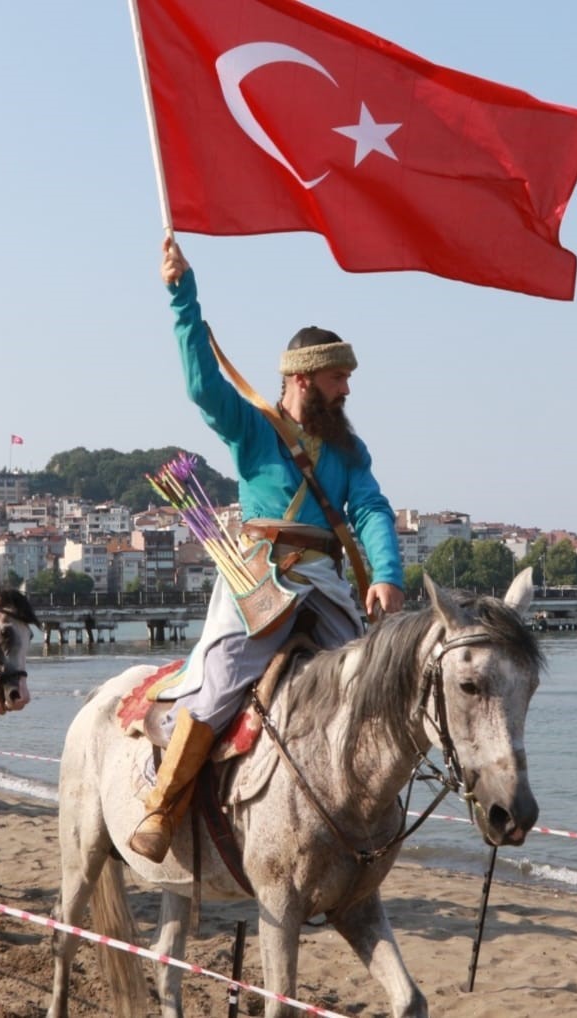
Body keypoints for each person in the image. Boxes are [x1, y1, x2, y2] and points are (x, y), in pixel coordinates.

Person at [128, 237, 405, 862]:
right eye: (339, 379)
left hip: (328, 585)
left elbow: (370, 509)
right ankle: (163, 807)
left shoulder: (347, 452)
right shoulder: (253, 428)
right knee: (221, 679)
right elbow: (203, 387)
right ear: (303, 378)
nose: (348, 392)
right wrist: (182, 295)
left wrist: (386, 573)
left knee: (370, 684)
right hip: (260, 581)